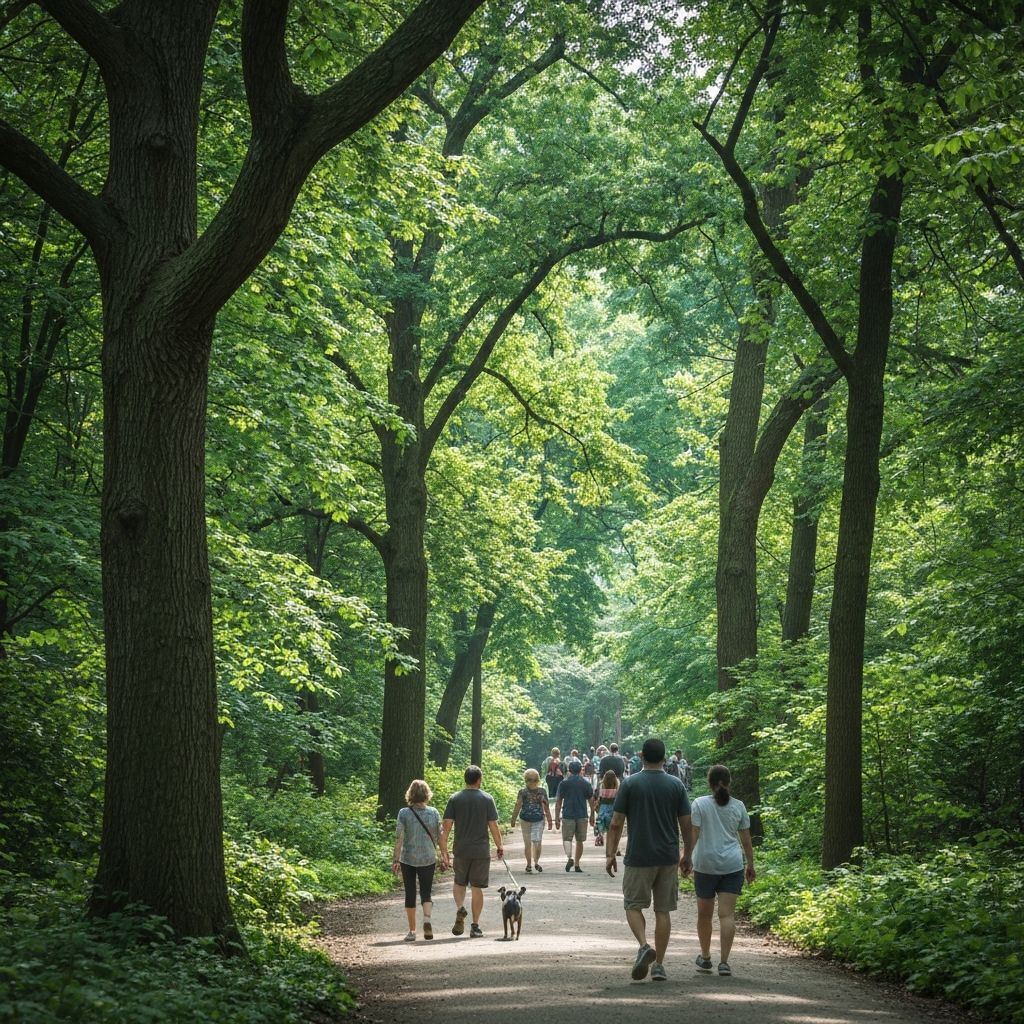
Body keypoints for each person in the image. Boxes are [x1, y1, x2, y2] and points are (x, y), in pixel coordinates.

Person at [605, 738, 693, 983]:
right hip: (667, 857)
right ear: (665, 758)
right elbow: (687, 824)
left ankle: (644, 945)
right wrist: (688, 854)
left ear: (641, 756)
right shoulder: (676, 785)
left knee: (632, 905)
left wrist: (610, 853)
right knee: (663, 911)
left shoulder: (631, 784)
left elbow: (615, 822)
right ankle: (659, 966)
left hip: (639, 856)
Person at [690, 764, 755, 977]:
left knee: (704, 915)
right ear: (728, 782)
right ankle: (724, 962)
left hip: (705, 864)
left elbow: (694, 834)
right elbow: (746, 840)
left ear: (710, 783)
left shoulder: (699, 804)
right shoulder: (739, 806)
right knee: (727, 915)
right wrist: (750, 864)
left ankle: (706, 956)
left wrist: (685, 857)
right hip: (732, 865)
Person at [440, 765, 504, 938]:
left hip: (461, 849)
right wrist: (499, 846)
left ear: (465, 779)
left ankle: (461, 908)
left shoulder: (455, 798)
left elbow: (446, 826)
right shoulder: (487, 799)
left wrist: (444, 850)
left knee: (459, 883)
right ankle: (475, 926)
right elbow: (493, 825)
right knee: (477, 887)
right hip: (481, 850)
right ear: (479, 780)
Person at [392, 779, 447, 941]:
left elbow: (399, 837)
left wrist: (395, 859)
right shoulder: (434, 812)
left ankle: (412, 931)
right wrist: (445, 856)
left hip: (407, 858)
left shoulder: (404, 813)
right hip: (428, 858)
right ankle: (427, 922)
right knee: (426, 892)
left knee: (410, 893)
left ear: (410, 794)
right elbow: (441, 838)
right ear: (426, 794)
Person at [509, 768, 553, 873]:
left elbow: (518, 806)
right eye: (530, 780)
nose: (531, 782)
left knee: (532, 843)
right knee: (532, 842)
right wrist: (513, 819)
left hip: (532, 819)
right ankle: (532, 863)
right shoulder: (531, 792)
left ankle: (532, 863)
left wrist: (513, 819)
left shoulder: (533, 792)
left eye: (532, 780)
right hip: (532, 819)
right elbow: (518, 805)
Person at [554, 758, 594, 871]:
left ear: (569, 770)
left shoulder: (564, 783)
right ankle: (577, 864)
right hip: (582, 814)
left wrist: (556, 817)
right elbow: (591, 800)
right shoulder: (586, 783)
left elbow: (558, 802)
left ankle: (569, 857)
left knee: (567, 839)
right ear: (580, 770)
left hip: (568, 814)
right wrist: (592, 815)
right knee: (580, 840)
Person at [592, 768, 619, 847]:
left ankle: (600, 835)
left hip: (602, 808)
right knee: (611, 827)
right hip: (612, 808)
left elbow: (596, 796)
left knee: (601, 823)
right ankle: (613, 845)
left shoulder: (601, 785)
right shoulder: (616, 788)